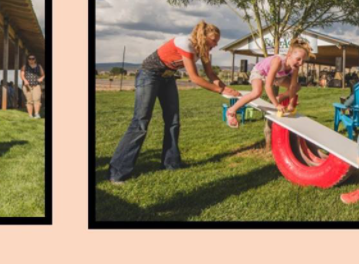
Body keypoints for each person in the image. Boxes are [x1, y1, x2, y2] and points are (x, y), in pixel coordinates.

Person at [108, 20, 240, 184]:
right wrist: (220, 90)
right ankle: (118, 172)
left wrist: (226, 88)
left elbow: (211, 74)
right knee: (141, 122)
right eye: (214, 40)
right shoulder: (185, 43)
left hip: (168, 77)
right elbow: (194, 78)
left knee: (173, 121)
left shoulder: (204, 51)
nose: (216, 44)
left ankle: (171, 164)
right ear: (203, 36)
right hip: (149, 74)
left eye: (217, 41)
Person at [226, 37, 314, 127]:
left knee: (297, 87)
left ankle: (280, 97)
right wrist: (276, 105)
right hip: (260, 73)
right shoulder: (278, 61)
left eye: (303, 61)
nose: (300, 63)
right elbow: (268, 86)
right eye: (298, 59)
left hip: (278, 77)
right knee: (257, 92)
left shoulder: (295, 67)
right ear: (289, 54)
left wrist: (291, 104)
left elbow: (293, 86)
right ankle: (231, 111)